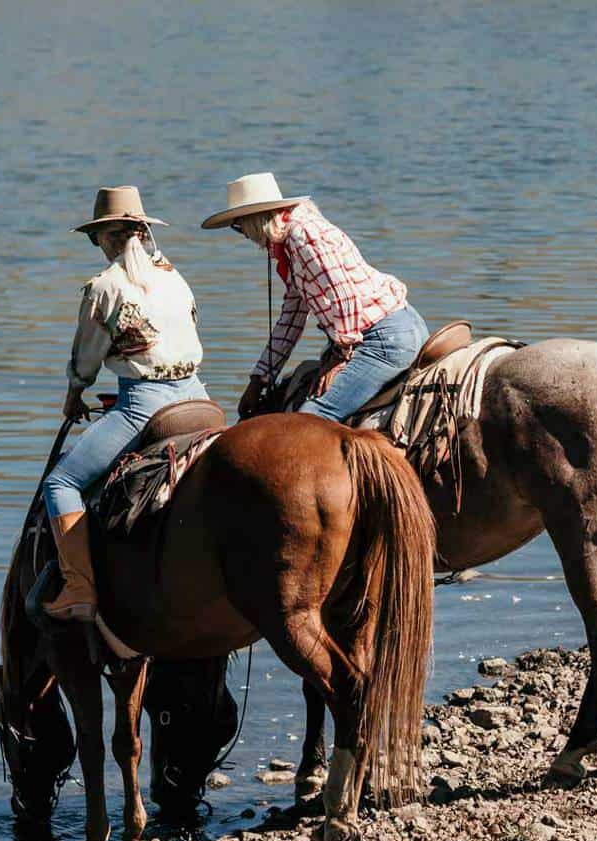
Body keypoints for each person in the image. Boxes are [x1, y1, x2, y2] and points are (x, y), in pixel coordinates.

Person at [42, 186, 207, 621]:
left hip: (146, 405)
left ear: (107, 239)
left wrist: (74, 396)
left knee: (61, 485)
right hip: (199, 396)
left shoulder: (105, 286)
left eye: (96, 238)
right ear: (143, 232)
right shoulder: (174, 275)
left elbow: (85, 360)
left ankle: (79, 589)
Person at [202, 172, 427, 421]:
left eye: (239, 225)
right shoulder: (292, 242)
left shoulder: (303, 236)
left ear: (254, 220)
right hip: (395, 326)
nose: (243, 233)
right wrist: (261, 377)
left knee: (310, 418)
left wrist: (341, 356)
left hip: (383, 338)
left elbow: (344, 295)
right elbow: (291, 319)